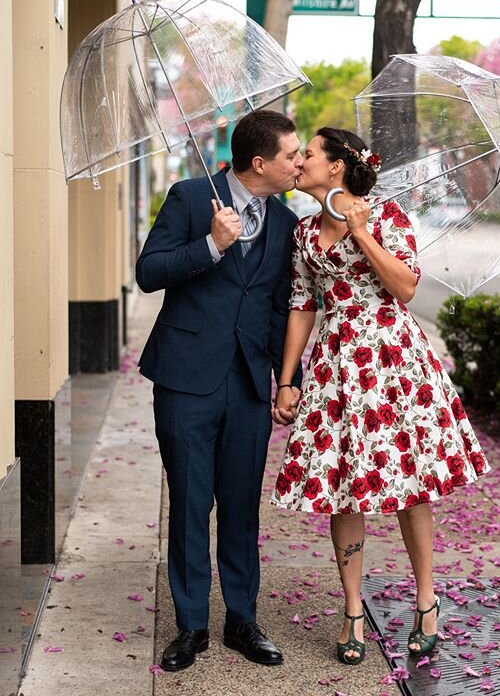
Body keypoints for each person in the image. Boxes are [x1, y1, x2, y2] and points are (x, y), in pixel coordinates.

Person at [271, 127, 490, 665]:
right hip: (335, 365)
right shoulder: (301, 233)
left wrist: (362, 233)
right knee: (344, 487)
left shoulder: (386, 216)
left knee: (410, 482)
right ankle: (351, 612)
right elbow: (302, 304)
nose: (300, 162)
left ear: (338, 166)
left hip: (392, 360)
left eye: (310, 155)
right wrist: (287, 378)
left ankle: (426, 600)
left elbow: (407, 287)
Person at [136, 110, 303, 672]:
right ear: (260, 163)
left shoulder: (284, 222)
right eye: (292, 154)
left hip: (250, 383)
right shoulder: (189, 197)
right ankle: (191, 626)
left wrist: (287, 381)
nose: (299, 162)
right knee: (189, 502)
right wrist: (210, 245)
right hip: (186, 379)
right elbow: (149, 271)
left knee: (240, 507)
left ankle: (242, 619)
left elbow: (280, 308)